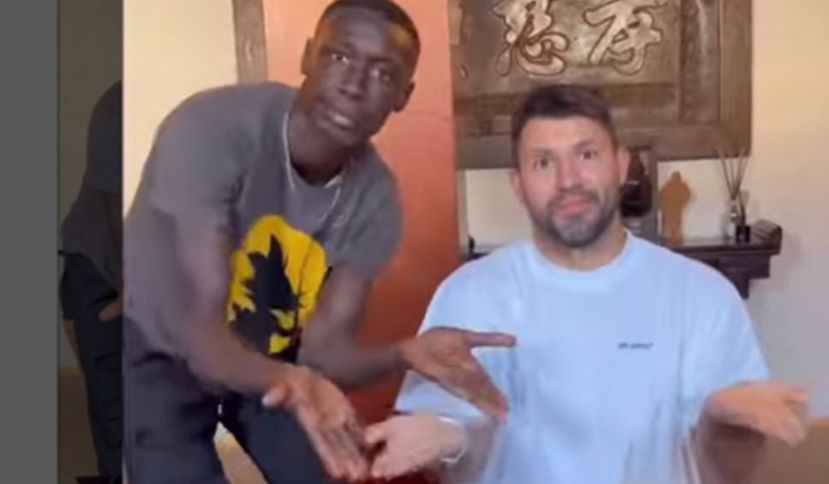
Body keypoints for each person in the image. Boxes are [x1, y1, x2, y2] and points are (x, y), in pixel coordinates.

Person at [123, 1, 514, 483]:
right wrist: (292, 378)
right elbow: (200, 333)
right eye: (339, 57)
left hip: (267, 356)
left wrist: (403, 354)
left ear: (403, 95)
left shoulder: (375, 198)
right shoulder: (211, 131)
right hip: (165, 341)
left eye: (383, 74)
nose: (354, 86)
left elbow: (323, 355)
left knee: (328, 472)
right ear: (308, 56)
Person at [364, 85, 810, 484]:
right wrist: (450, 436)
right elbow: (452, 459)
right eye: (544, 162)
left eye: (587, 155)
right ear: (518, 185)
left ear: (620, 165)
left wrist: (723, 427)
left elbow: (724, 475)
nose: (569, 181)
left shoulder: (702, 296)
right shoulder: (468, 294)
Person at [59, 80, 123, 482]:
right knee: (112, 401)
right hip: (100, 262)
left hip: (164, 264)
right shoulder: (116, 108)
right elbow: (116, 205)